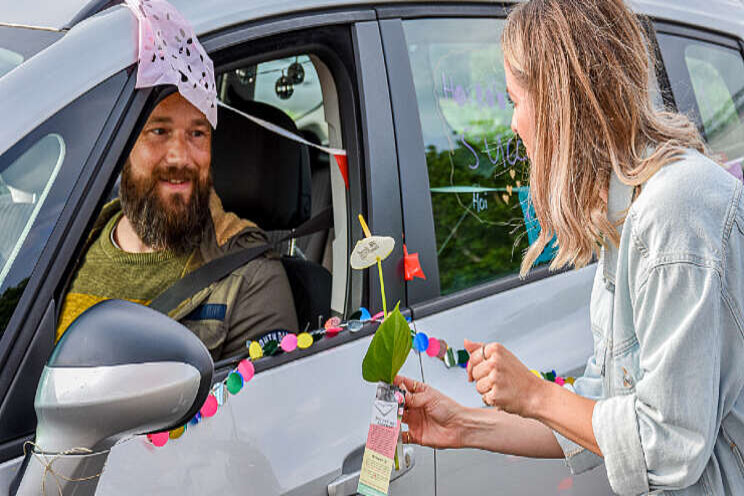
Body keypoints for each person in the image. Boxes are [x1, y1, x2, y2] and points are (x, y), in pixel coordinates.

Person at [396, 1, 744, 494]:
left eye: (515, 100)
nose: (513, 124)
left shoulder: (674, 212)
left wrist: (534, 393)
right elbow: (600, 410)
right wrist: (463, 426)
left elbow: (666, 447)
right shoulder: (628, 210)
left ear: (561, 104)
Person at [56, 90, 298, 360]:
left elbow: (252, 400)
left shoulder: (248, 276)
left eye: (197, 133)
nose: (179, 157)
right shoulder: (64, 243)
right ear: (122, 147)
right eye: (159, 131)